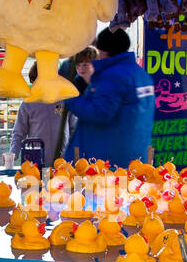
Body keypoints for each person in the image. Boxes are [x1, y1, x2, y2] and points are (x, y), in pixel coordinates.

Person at [63, 28, 154, 167]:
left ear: (103, 50)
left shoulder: (113, 75)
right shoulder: (141, 75)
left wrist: (70, 98)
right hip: (133, 156)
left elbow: (100, 113)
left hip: (107, 161)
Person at [9, 62, 70, 167]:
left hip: (62, 159)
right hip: (36, 160)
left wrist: (77, 152)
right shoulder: (28, 103)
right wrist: (13, 153)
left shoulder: (65, 99)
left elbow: (74, 127)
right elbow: (19, 132)